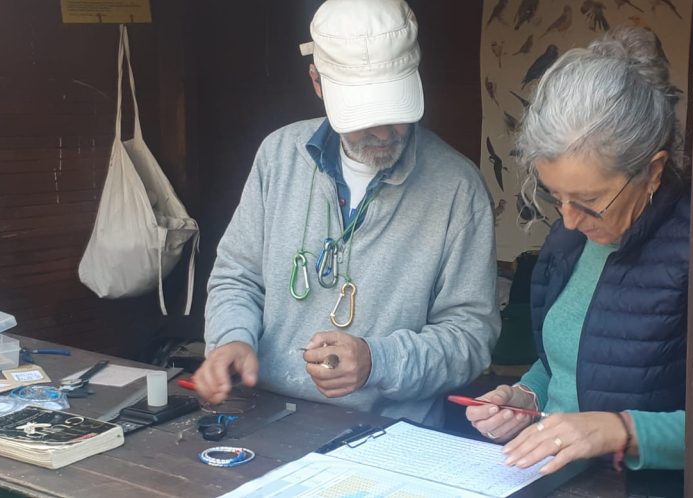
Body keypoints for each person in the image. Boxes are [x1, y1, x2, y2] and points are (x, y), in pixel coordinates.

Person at [195, 0, 500, 426]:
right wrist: (232, 339)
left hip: (389, 432)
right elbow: (237, 277)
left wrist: (378, 361)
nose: (383, 131)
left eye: (395, 111)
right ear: (317, 83)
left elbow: (470, 336)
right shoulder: (278, 157)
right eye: (363, 115)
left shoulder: (457, 187)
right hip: (265, 414)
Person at [465, 27, 689, 475]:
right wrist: (525, 397)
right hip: (551, 478)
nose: (568, 220)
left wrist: (621, 430)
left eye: (588, 201)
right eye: (556, 197)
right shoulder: (569, 240)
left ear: (653, 170)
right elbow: (563, 366)